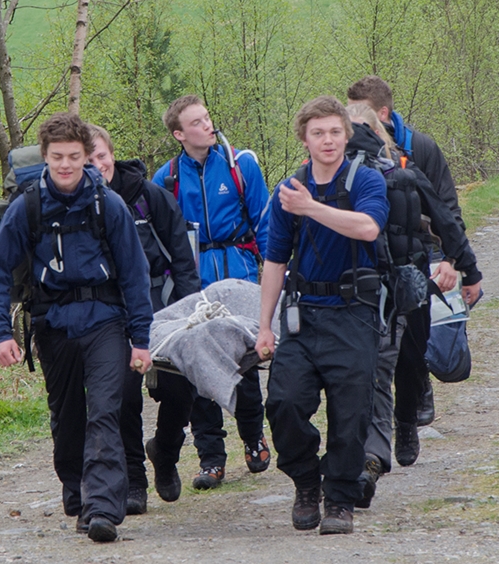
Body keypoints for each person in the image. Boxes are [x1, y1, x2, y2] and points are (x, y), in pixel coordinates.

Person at [0, 113, 156, 543]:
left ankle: (102, 509)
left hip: (106, 324)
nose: (65, 165)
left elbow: (135, 275)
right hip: (54, 325)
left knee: (104, 412)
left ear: (86, 157)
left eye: (74, 157)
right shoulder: (28, 208)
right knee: (68, 419)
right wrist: (2, 333)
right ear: (45, 157)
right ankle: (76, 489)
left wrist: (141, 341)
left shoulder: (107, 204)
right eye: (57, 157)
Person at [256, 96, 389, 535]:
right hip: (304, 315)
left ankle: (340, 499)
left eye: (335, 132)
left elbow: (367, 227)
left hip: (354, 313)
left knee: (351, 414)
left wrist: (310, 207)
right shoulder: (289, 189)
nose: (328, 140)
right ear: (305, 139)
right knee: (284, 402)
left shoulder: (366, 181)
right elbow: (275, 261)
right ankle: (306, 481)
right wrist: (264, 326)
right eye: (318, 133)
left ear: (346, 136)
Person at [346, 75, 484, 466]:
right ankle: (369, 444)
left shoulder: (419, 151)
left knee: (410, 357)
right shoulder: (333, 170)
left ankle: (405, 421)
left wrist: (455, 264)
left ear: (380, 119)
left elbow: (446, 211)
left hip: (413, 269)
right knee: (366, 361)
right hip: (361, 279)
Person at [150, 95, 272, 491]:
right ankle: (211, 459)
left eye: (207, 118)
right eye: (196, 122)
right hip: (191, 285)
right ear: (179, 134)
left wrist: (273, 280)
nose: (207, 125)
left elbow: (267, 226)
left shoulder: (241, 166)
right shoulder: (165, 179)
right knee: (199, 372)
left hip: (238, 276)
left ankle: (254, 438)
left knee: (245, 365)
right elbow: (154, 239)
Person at [88, 125, 200, 512]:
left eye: (101, 156)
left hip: (161, 304)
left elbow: (183, 258)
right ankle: (133, 479)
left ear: (112, 154)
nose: (96, 165)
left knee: (179, 390)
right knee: (121, 396)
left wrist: (188, 312)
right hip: (109, 311)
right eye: (88, 160)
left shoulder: (149, 197)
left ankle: (165, 454)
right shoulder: (78, 205)